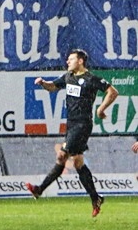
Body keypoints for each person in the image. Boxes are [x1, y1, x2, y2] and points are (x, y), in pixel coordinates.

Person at [27, 50, 118, 217]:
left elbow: (113, 92)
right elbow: (53, 87)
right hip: (71, 124)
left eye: (71, 59)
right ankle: (95, 198)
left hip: (83, 124)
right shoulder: (68, 76)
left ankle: (40, 189)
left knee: (62, 155)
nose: (67, 61)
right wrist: (42, 83)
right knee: (77, 162)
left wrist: (101, 108)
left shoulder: (92, 79)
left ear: (81, 61)